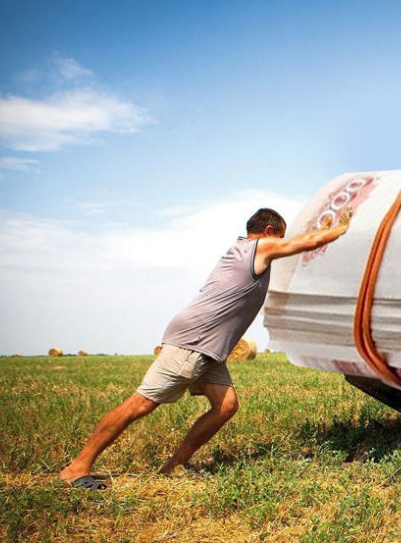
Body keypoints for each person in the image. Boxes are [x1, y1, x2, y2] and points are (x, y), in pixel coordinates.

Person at [60, 206, 352, 489]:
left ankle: (174, 466)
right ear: (267, 232)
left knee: (226, 406)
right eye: (279, 237)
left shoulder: (244, 250)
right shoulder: (256, 249)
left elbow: (301, 241)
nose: (280, 245)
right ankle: (77, 467)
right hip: (194, 340)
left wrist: (323, 229)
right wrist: (341, 229)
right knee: (141, 404)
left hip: (211, 347)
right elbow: (304, 245)